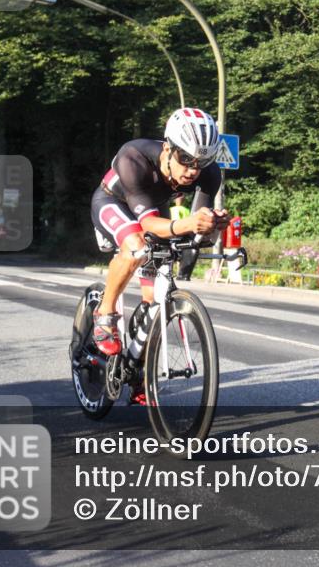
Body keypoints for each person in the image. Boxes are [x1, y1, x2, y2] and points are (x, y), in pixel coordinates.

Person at [90, 107, 229, 376]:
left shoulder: (209, 174)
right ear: (168, 148)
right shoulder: (135, 157)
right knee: (136, 247)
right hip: (113, 202)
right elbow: (147, 226)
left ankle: (138, 372)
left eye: (201, 162)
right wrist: (188, 223)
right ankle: (105, 314)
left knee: (154, 302)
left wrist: (212, 227)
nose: (192, 170)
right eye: (185, 158)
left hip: (154, 208)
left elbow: (194, 234)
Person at [170, 195, 200, 281]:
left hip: (172, 234)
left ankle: (174, 271)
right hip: (182, 235)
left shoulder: (171, 210)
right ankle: (182, 273)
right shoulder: (187, 211)